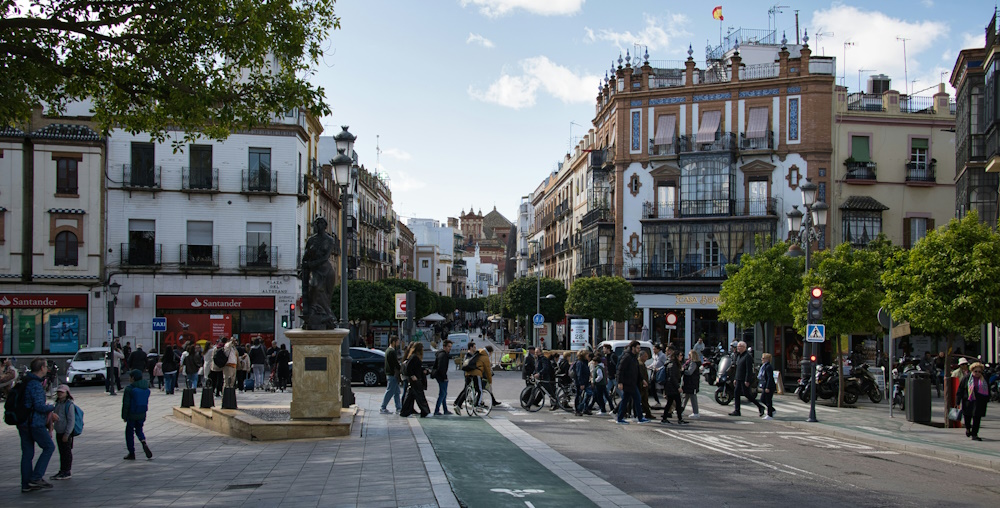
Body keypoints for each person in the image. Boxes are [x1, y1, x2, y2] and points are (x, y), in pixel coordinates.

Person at [18, 358, 57, 492]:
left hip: (23, 422)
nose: (47, 369)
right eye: (46, 366)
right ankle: (36, 477)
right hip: (35, 423)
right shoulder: (35, 384)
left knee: (27, 454)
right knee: (49, 447)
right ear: (41, 368)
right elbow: (39, 406)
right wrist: (52, 407)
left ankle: (26, 484)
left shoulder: (26, 381)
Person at [121, 369, 152, 460]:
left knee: (129, 433)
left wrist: (124, 416)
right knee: (139, 430)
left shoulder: (129, 389)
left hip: (132, 414)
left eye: (130, 377)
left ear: (133, 378)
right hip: (142, 413)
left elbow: (126, 404)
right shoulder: (145, 388)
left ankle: (131, 452)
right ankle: (143, 441)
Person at [729, 341, 765, 417]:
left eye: (740, 347)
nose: (738, 348)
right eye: (737, 346)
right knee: (736, 393)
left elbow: (749, 370)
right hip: (738, 378)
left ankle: (760, 407)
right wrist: (735, 378)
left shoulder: (747, 356)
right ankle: (737, 410)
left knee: (747, 394)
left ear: (744, 348)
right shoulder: (739, 356)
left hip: (744, 379)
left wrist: (747, 380)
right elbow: (737, 368)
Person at [617, 341, 649, 424]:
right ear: (633, 348)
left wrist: (642, 379)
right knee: (637, 398)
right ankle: (640, 417)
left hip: (632, 382)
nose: (639, 349)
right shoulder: (627, 357)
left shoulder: (634, 357)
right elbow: (620, 369)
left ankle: (620, 418)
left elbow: (637, 370)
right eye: (637, 348)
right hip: (629, 382)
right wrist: (620, 382)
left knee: (625, 400)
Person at [958, 362, 990, 441]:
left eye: (979, 372)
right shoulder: (966, 378)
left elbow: (987, 390)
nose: (977, 373)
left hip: (979, 402)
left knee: (977, 418)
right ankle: (968, 428)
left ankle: (975, 434)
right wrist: (957, 401)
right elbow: (960, 390)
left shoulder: (984, 379)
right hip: (968, 401)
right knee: (967, 417)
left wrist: (987, 400)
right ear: (972, 371)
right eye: (976, 371)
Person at [50, 384, 76, 480]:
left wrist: (67, 434)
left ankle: (67, 471)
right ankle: (62, 470)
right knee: (62, 452)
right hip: (59, 431)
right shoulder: (57, 403)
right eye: (59, 392)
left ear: (67, 393)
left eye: (62, 392)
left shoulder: (69, 405)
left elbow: (71, 421)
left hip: (66, 432)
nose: (60, 394)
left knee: (66, 452)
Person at [399, 343, 431, 418]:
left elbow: (414, 368)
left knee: (410, 396)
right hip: (415, 379)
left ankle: (405, 412)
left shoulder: (413, 357)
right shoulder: (414, 357)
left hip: (414, 379)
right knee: (420, 396)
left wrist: (423, 371)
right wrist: (412, 375)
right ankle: (425, 412)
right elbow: (409, 368)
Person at [660, 350, 687, 424]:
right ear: (677, 356)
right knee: (677, 402)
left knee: (670, 402)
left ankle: (666, 418)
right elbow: (672, 377)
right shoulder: (673, 365)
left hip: (670, 386)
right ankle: (679, 419)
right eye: (680, 356)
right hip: (672, 387)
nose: (682, 357)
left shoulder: (672, 364)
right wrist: (678, 387)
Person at [380, 336, 402, 414]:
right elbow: (395, 364)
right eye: (397, 341)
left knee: (396, 392)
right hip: (392, 374)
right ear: (393, 342)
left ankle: (399, 408)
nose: (398, 343)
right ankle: (383, 407)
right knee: (390, 391)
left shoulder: (388, 351)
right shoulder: (392, 351)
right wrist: (401, 367)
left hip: (390, 374)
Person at [432, 340, 453, 415]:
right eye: (448, 347)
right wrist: (444, 377)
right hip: (441, 376)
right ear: (444, 346)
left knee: (443, 393)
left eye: (450, 347)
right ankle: (437, 410)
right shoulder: (443, 355)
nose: (450, 348)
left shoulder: (442, 354)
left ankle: (445, 409)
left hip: (439, 376)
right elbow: (441, 368)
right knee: (442, 393)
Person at [681, 349, 701, 419]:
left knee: (692, 397)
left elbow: (690, 372)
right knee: (685, 397)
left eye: (689, 355)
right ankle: (681, 410)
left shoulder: (693, 363)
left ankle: (696, 412)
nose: (688, 356)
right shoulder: (689, 362)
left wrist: (683, 371)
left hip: (692, 383)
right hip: (689, 382)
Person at [573, 351, 593, 416]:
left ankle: (585, 408)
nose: (588, 356)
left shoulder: (584, 362)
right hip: (581, 382)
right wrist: (581, 383)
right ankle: (577, 410)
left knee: (588, 394)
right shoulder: (579, 363)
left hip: (586, 381)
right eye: (587, 354)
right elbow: (579, 374)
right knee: (579, 395)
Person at [637, 351, 655, 420]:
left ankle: (648, 413)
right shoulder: (640, 364)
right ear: (641, 356)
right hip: (641, 385)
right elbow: (641, 375)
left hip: (644, 385)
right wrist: (643, 383)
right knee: (637, 400)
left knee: (645, 400)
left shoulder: (642, 364)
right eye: (645, 356)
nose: (646, 358)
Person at [758, 353, 776, 419]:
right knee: (762, 399)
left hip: (769, 386)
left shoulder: (768, 367)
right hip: (765, 385)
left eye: (763, 358)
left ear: (767, 359)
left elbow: (769, 378)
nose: (762, 359)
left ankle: (770, 414)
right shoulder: (764, 366)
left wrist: (768, 387)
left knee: (768, 400)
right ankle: (772, 410)